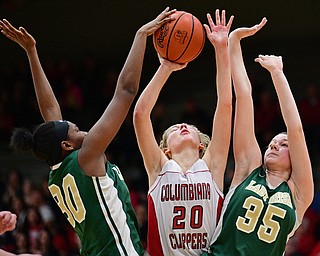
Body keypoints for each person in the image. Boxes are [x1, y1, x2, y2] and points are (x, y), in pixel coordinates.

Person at [1, 7, 177, 256]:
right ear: (66, 145)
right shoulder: (87, 157)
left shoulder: (58, 170)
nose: (81, 129)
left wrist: (31, 52)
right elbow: (125, 91)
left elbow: (51, 111)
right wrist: (140, 35)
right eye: (74, 129)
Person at [204, 18, 314, 255]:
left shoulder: (299, 193)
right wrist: (233, 43)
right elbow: (244, 96)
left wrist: (277, 73)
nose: (273, 146)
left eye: (282, 145)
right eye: (272, 143)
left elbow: (295, 129)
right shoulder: (247, 169)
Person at [133, 9, 233, 255]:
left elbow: (225, 106)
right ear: (165, 149)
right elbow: (140, 115)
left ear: (201, 145)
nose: (183, 125)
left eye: (189, 127)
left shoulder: (213, 166)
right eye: (176, 128)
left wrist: (221, 50)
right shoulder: (158, 167)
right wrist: (166, 67)